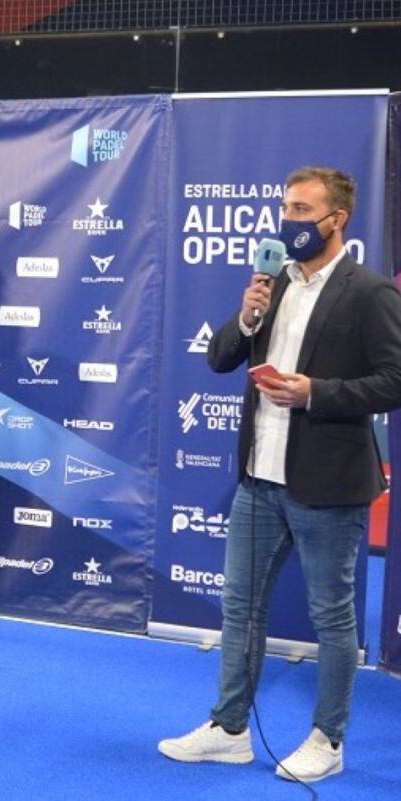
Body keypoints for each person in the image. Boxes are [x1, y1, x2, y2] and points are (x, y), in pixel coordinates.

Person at [158, 167, 401, 782]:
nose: (287, 220)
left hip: (328, 484)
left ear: (335, 219)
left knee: (332, 616)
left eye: (300, 208)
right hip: (258, 480)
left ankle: (329, 738)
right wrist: (245, 317)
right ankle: (230, 729)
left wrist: (316, 392)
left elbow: (395, 380)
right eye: (285, 208)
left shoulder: (369, 293)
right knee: (240, 609)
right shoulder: (273, 284)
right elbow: (218, 358)